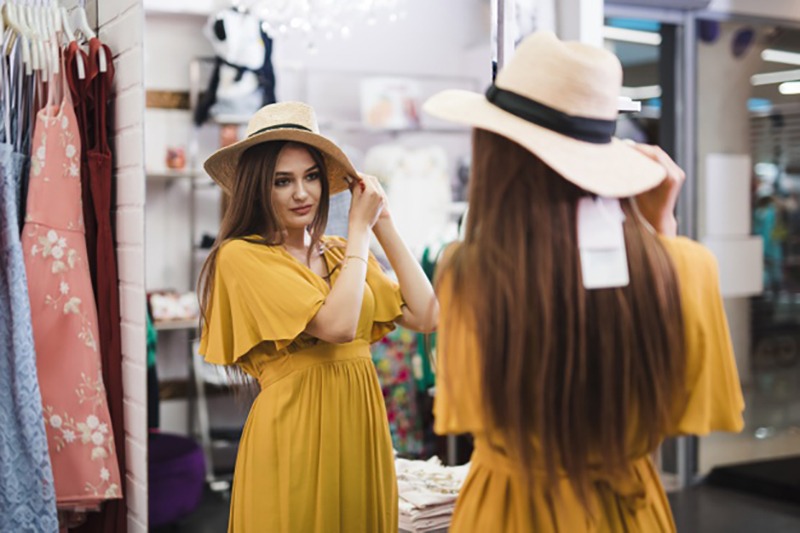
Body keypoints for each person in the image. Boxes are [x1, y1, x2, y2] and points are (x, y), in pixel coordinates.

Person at [423, 31, 744, 532]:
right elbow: (686, 410)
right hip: (629, 511)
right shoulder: (685, 268)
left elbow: (464, 408)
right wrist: (662, 237)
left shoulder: (467, 272)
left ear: (497, 151)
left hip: (511, 509)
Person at [198, 101, 437, 532]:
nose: (302, 193)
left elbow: (426, 314)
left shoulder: (340, 252)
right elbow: (338, 326)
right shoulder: (243, 257)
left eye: (311, 177)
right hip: (294, 436)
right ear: (258, 189)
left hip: (360, 432)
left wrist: (385, 225)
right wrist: (361, 230)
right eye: (282, 181)